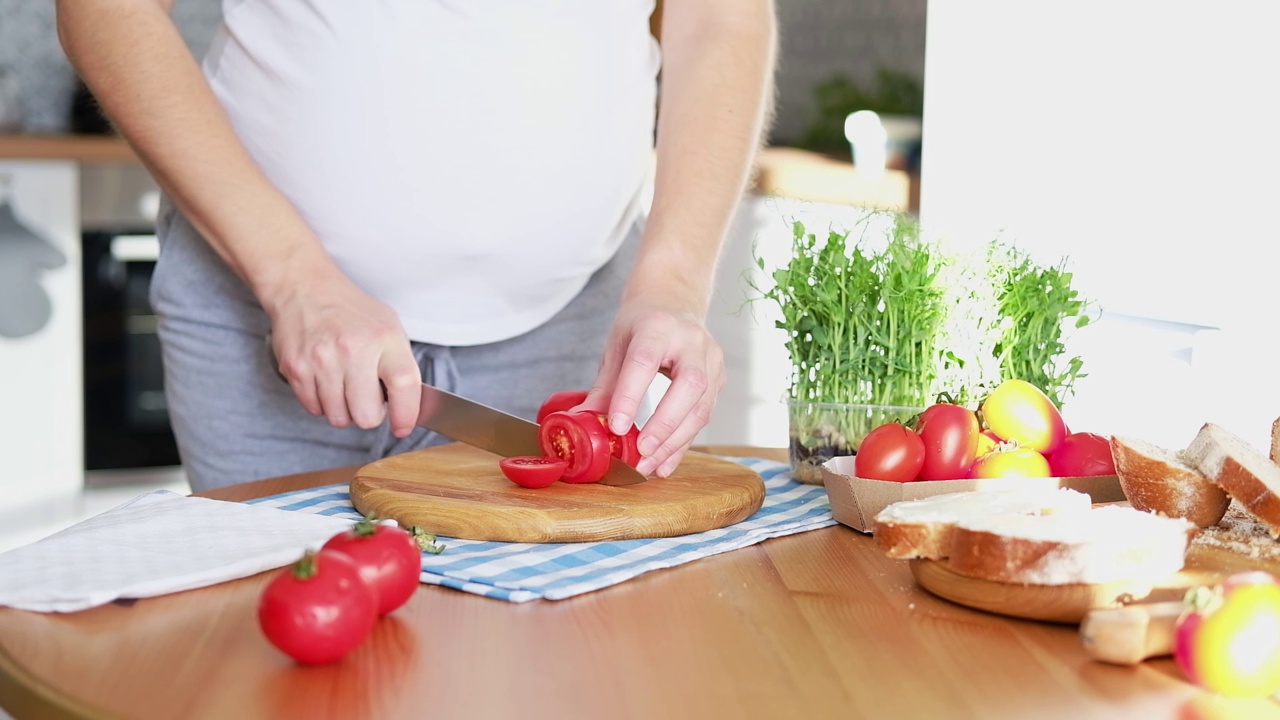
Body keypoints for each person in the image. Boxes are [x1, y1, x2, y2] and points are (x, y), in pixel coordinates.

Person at [56, 0, 778, 492]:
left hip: (569, 332)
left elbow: (720, 18)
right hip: (264, 309)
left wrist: (674, 283)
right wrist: (292, 281)